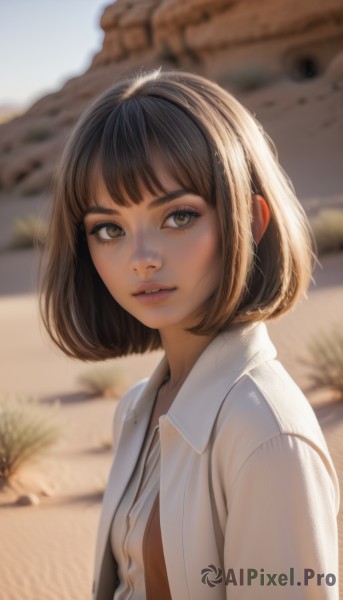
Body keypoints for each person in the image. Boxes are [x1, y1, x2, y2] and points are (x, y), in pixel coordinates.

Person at [40, 69, 339, 599]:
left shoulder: (266, 437)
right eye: (109, 229)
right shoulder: (137, 408)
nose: (142, 260)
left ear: (248, 221)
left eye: (178, 217)